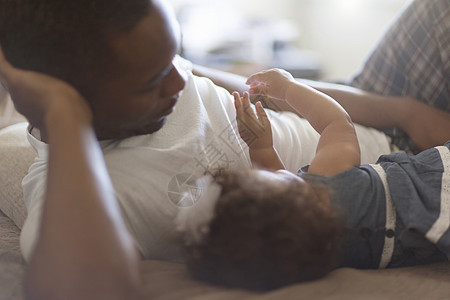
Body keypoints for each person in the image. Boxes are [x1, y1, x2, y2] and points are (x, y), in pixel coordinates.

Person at [0, 0, 448, 297]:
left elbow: (277, 92)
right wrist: (62, 115)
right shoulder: (80, 195)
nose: (182, 81)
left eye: (174, 59)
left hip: (357, 115)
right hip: (386, 172)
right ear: (74, 98)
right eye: (153, 82)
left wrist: (404, 111)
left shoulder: (165, 72)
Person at [176, 68, 450, 290]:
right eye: (272, 177)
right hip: (436, 181)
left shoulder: (304, 254)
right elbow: (336, 122)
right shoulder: (327, 181)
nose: (276, 171)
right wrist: (289, 89)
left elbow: (276, 193)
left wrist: (260, 146)